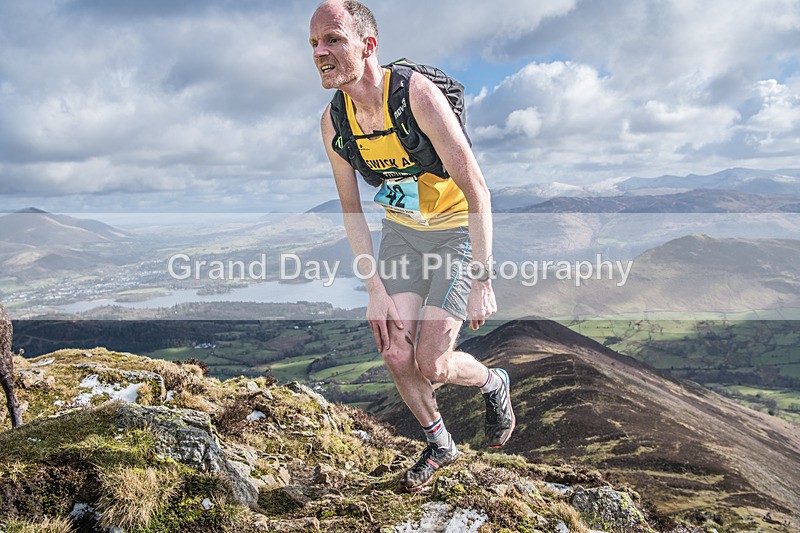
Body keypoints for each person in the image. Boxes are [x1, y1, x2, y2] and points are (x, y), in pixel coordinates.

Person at [309, 0, 515, 492]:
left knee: (433, 363)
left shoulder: (415, 95)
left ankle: (494, 382)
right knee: (395, 353)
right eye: (314, 43)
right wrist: (374, 291)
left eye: (333, 39)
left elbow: (477, 190)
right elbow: (351, 210)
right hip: (402, 235)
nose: (319, 52)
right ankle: (440, 444)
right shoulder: (334, 122)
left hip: (455, 233)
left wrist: (482, 279)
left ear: (368, 45)